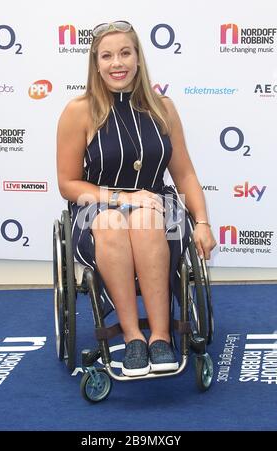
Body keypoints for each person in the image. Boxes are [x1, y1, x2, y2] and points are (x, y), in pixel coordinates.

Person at [57, 20, 216, 377]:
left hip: (159, 205)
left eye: (125, 53)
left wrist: (202, 222)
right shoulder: (79, 110)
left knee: (146, 222)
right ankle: (133, 339)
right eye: (107, 55)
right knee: (113, 223)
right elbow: (68, 183)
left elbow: (185, 173)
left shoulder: (162, 107)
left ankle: (160, 337)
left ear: (139, 59)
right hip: (96, 204)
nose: (118, 63)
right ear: (95, 63)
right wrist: (124, 198)